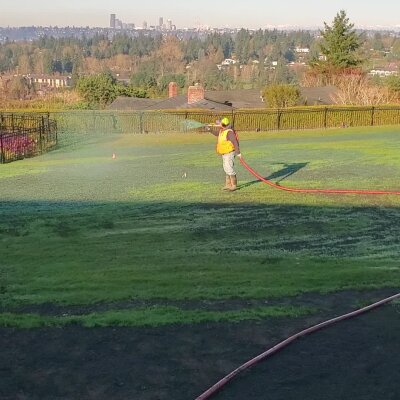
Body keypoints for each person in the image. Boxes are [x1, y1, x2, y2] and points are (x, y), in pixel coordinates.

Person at [208, 117, 241, 191]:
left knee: (229, 168)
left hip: (229, 153)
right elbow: (217, 134)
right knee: (226, 168)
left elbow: (235, 142)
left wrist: (238, 152)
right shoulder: (222, 131)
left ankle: (234, 185)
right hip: (224, 153)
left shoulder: (229, 132)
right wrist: (209, 129)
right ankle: (228, 184)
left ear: (223, 124)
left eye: (219, 123)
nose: (218, 124)